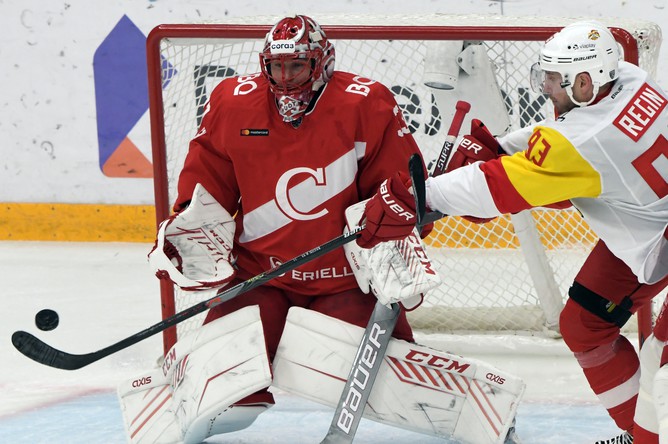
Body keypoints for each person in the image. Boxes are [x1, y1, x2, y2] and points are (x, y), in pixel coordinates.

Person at [357, 20, 668, 444]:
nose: (546, 88)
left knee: (661, 368)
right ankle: (639, 433)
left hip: (655, 230)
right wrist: (501, 148)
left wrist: (418, 196)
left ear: (584, 82)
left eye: (554, 79)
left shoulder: (585, 141)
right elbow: (567, 140)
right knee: (585, 325)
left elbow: (498, 187)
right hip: (652, 227)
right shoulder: (628, 78)